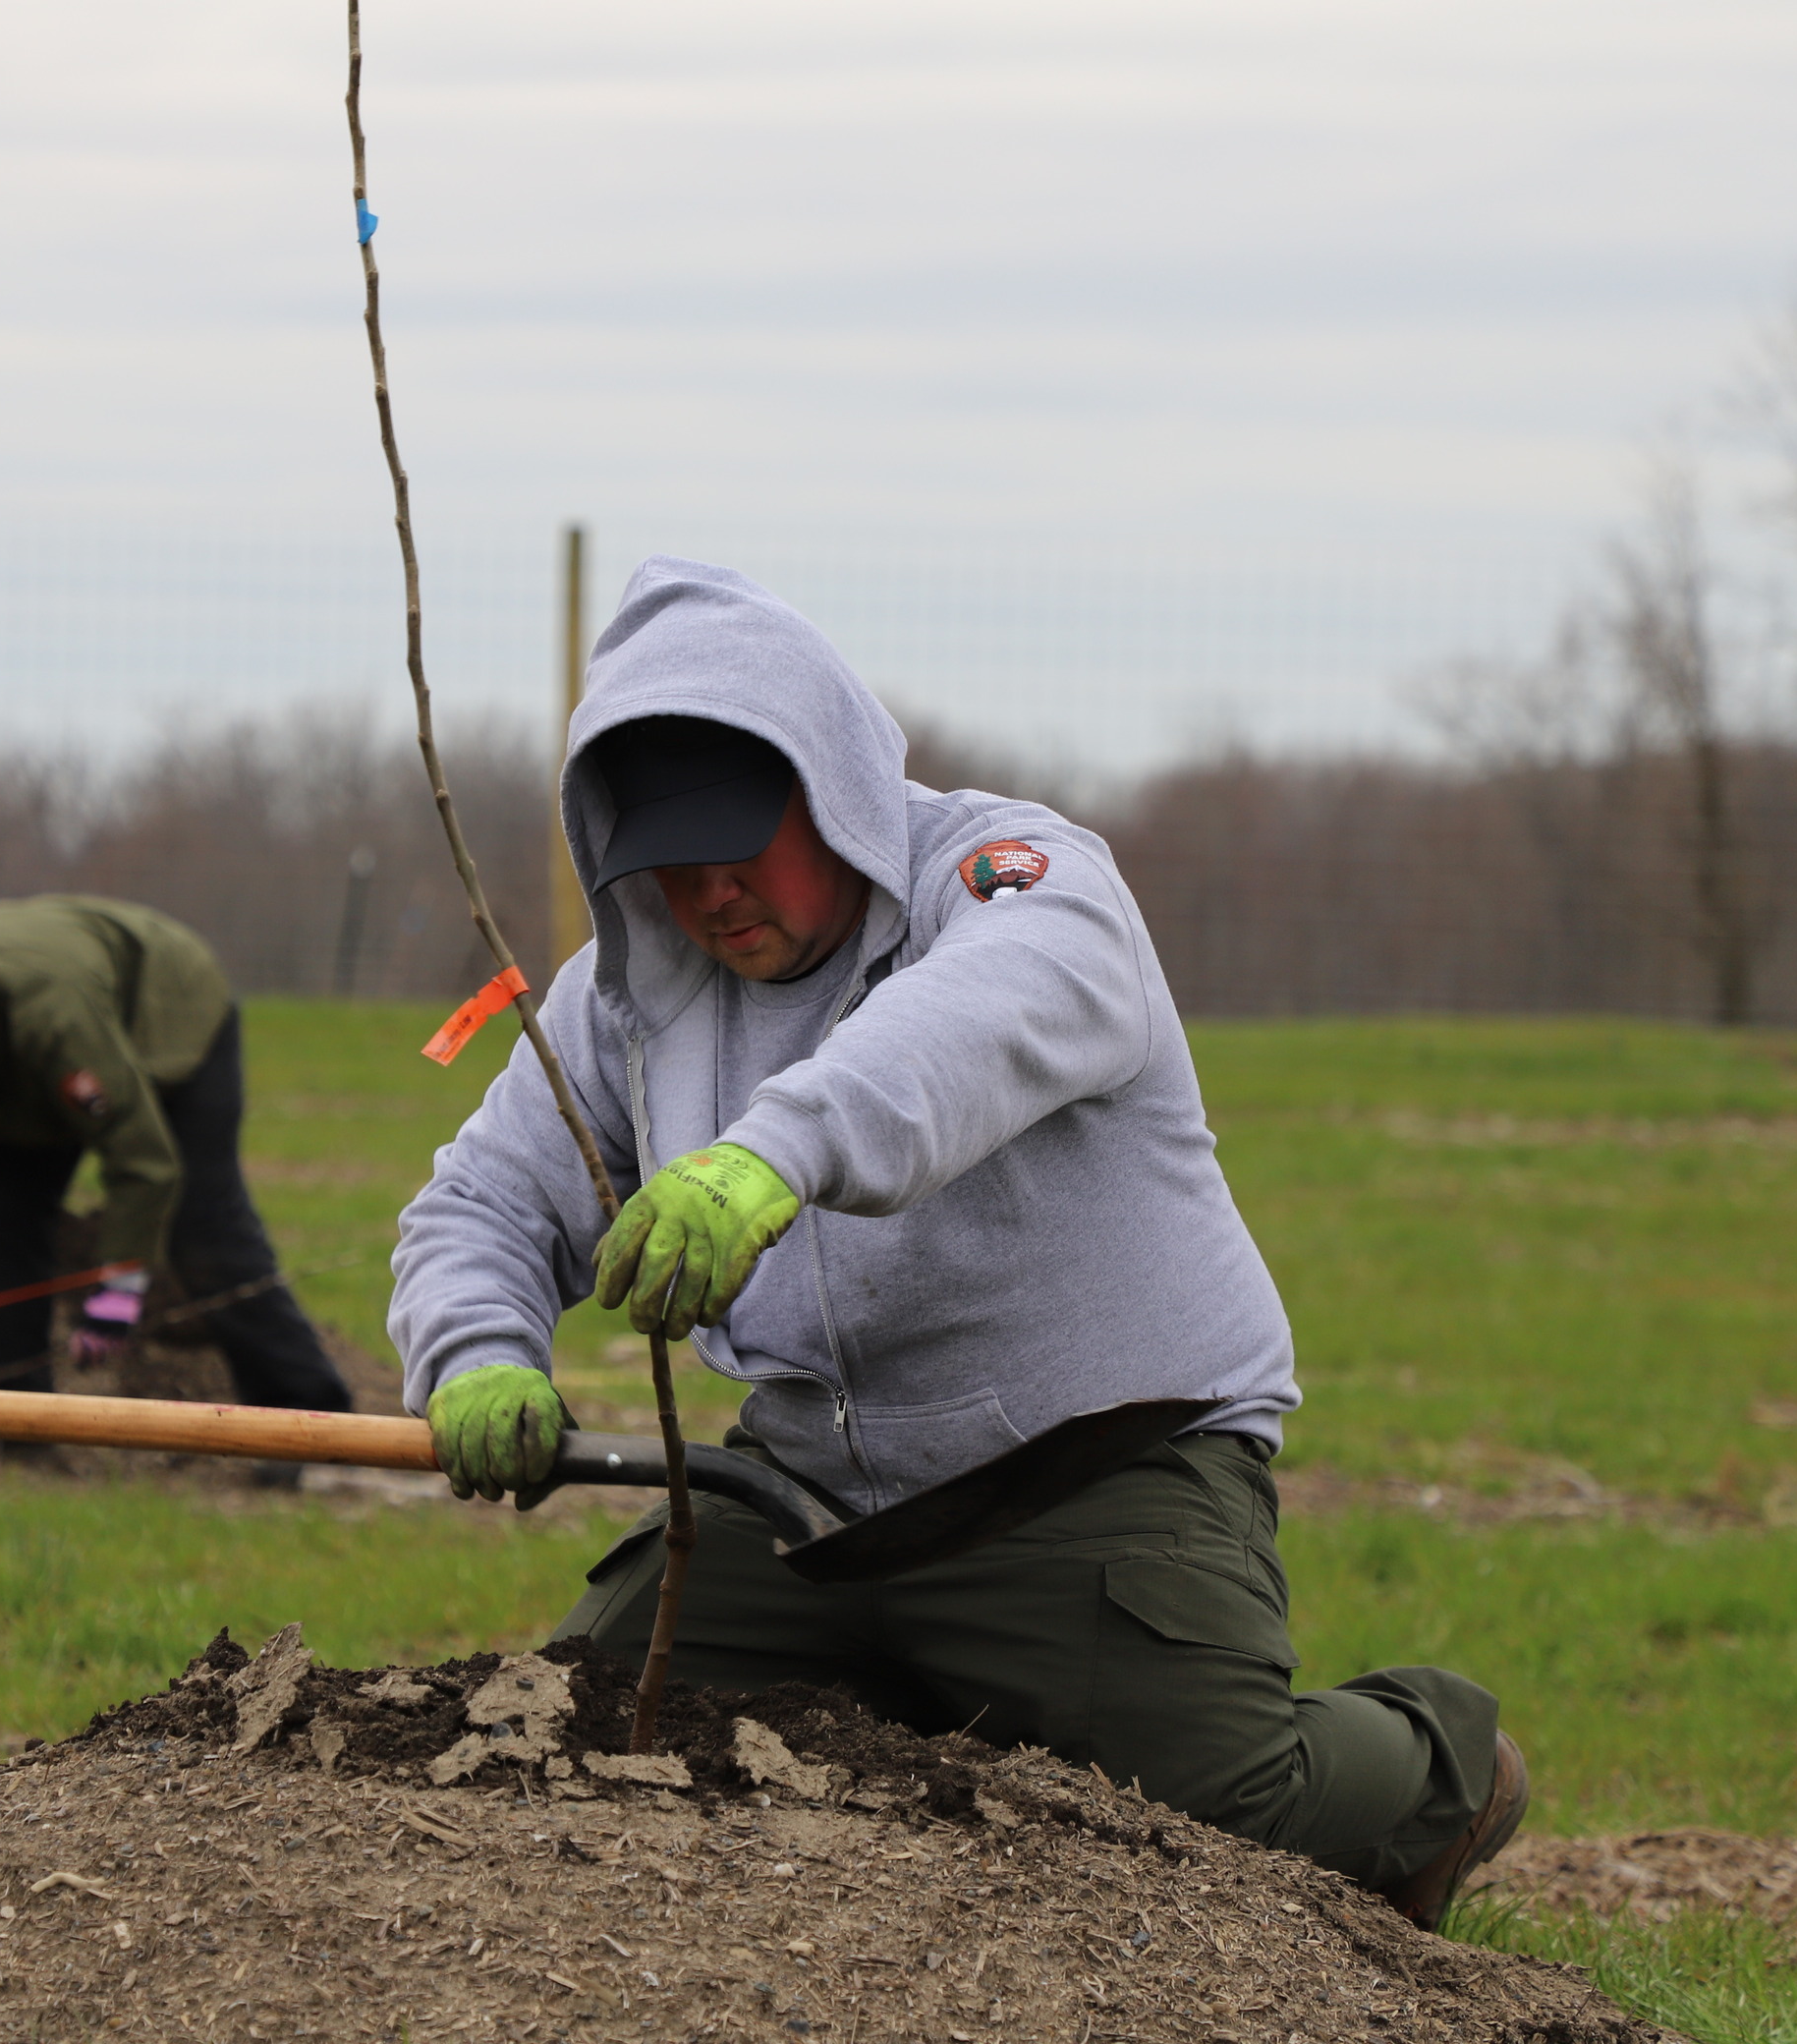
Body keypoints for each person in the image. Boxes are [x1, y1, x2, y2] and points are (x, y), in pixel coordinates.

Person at [387, 559, 1525, 1928]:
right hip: (806, 1504)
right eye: (666, 863)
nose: (709, 892)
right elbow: (484, 1205)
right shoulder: (626, 998)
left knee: (1220, 1826)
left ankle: (1443, 1759)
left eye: (740, 837)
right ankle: (918, 1694)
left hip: (1095, 1471)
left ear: (836, 787)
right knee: (579, 1735)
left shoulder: (1022, 887)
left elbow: (962, 1034)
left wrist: (770, 1157)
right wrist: (476, 1353)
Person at [0, 893, 352, 1446]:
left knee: (202, 1225)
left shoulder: (57, 1019)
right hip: (33, 1053)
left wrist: (120, 1288)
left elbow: (144, 1158)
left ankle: (307, 1416)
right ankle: (1, 1412)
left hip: (167, 1016)